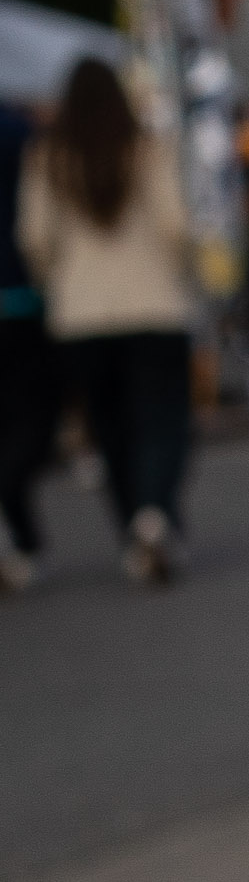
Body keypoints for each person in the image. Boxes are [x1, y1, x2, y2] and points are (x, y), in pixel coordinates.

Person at [17, 57, 199, 585]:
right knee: (163, 420)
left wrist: (57, 283)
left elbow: (36, 238)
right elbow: (175, 225)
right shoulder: (146, 148)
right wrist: (181, 272)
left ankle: (133, 528)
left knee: (112, 426)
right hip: (154, 304)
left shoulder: (49, 156)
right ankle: (155, 511)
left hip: (82, 313)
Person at [0, 90, 48, 590]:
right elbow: (37, 227)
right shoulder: (19, 134)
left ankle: (21, 535)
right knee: (32, 418)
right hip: (17, 296)